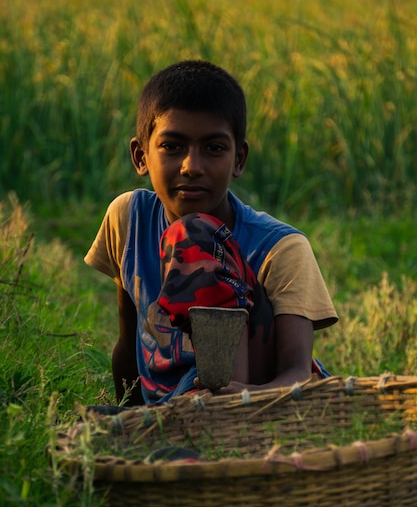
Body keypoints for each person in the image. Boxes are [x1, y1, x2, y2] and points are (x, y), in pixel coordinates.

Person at [85, 60, 338, 406]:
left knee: (194, 236)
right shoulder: (128, 218)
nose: (192, 166)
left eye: (214, 149)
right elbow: (128, 343)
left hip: (264, 405)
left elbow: (298, 373)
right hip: (171, 409)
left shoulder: (281, 248)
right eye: (172, 147)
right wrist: (128, 421)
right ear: (141, 156)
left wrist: (241, 402)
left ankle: (212, 420)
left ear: (239, 159)